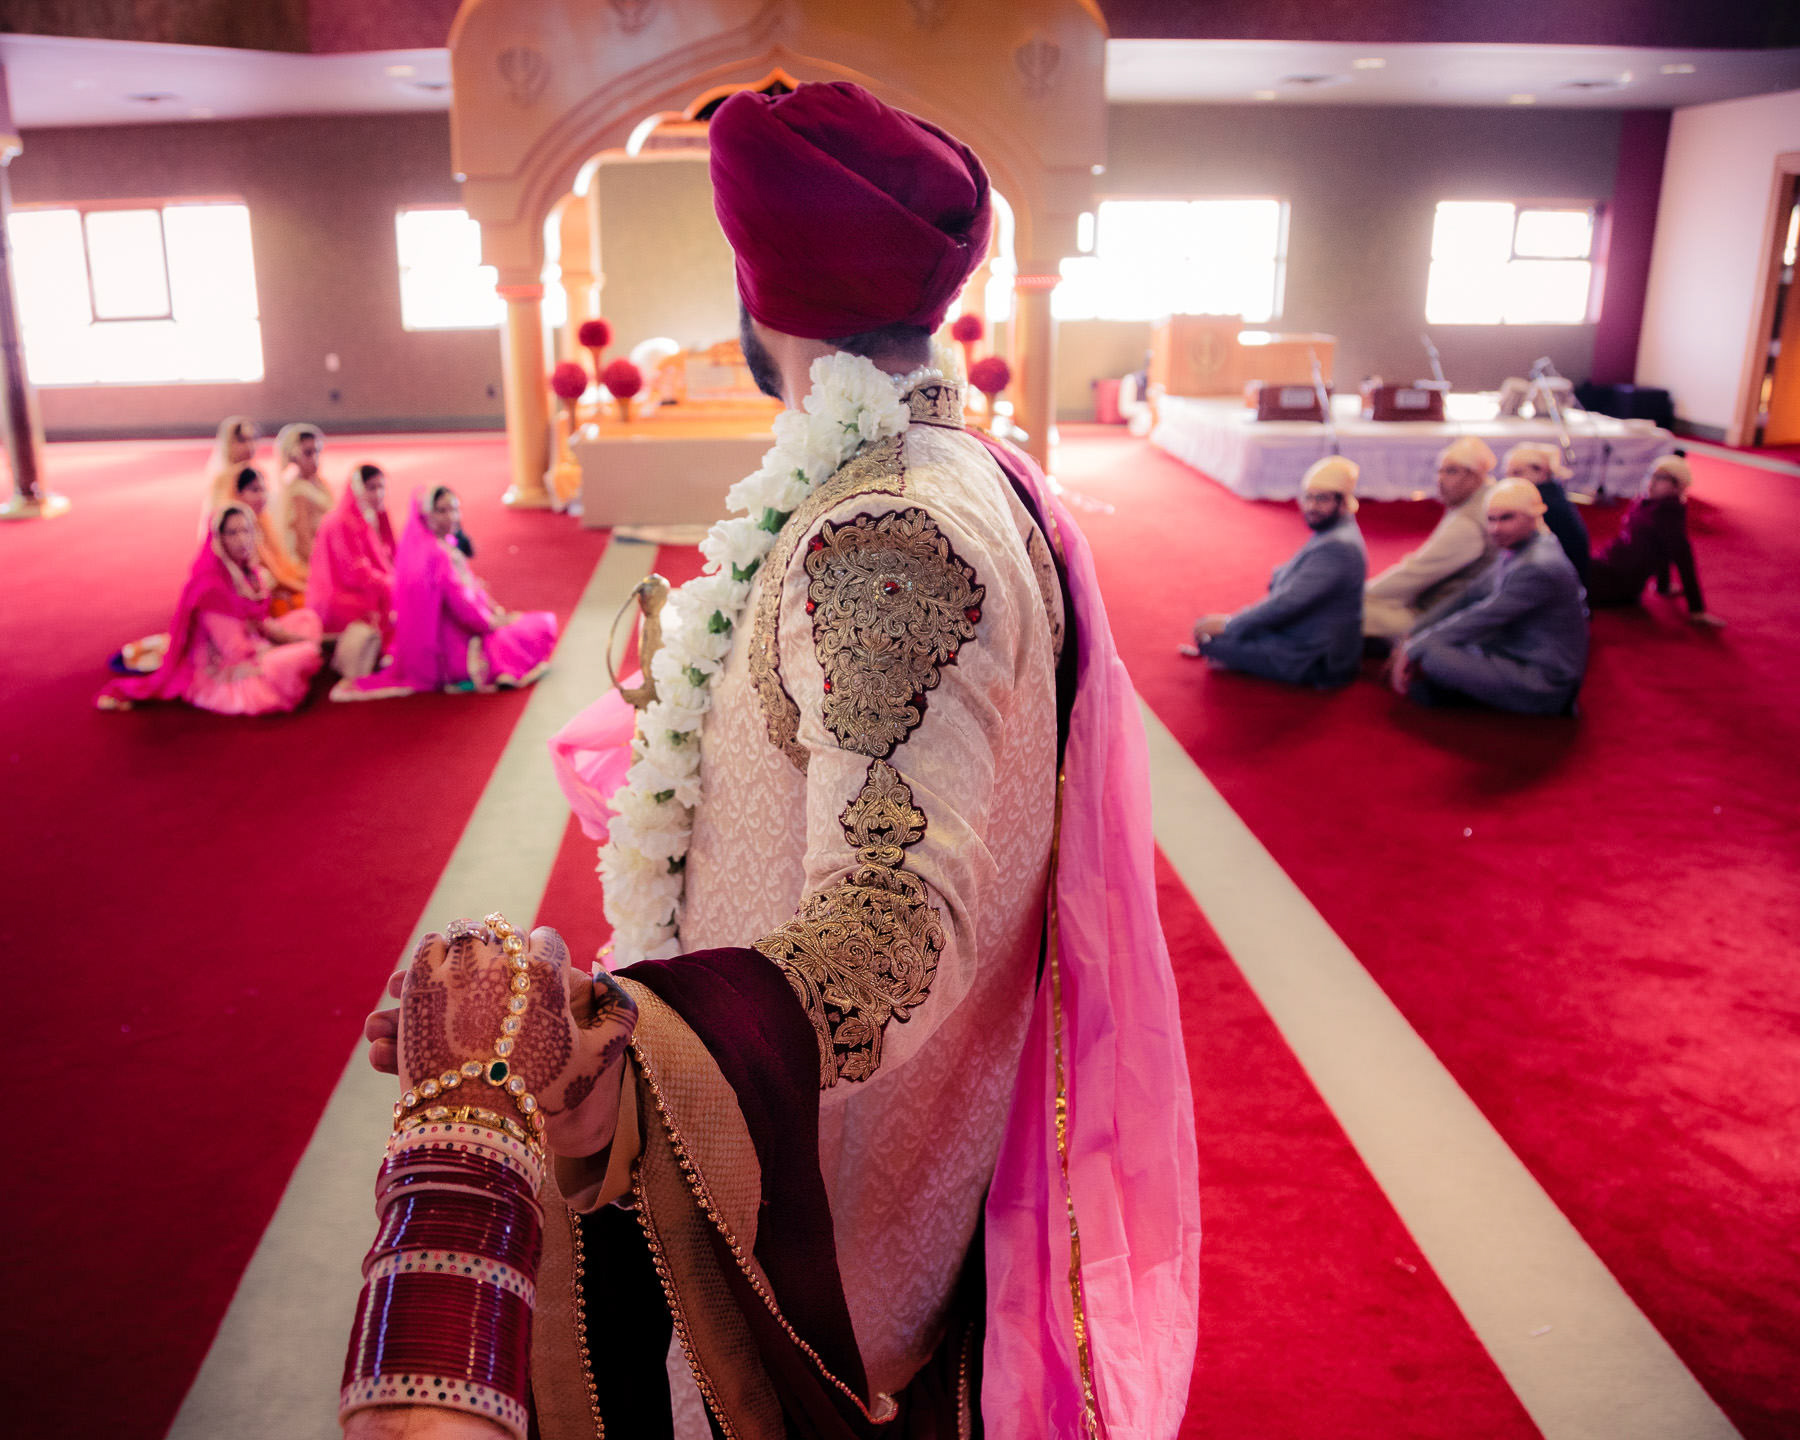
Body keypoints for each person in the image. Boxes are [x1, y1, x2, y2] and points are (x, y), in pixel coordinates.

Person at [346, 81, 1198, 1440]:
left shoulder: (885, 532)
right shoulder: (927, 472)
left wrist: (599, 1050)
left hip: (816, 1223)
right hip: (816, 1152)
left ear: (761, 298)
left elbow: (892, 931)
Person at [332, 485, 557, 699]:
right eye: (442, 510)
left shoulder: (427, 546)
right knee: (541, 625)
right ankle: (499, 670)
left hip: (438, 645)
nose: (451, 516)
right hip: (454, 649)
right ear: (426, 515)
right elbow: (464, 608)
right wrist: (492, 621)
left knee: (523, 627)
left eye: (454, 508)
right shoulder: (438, 554)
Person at [97, 503, 323, 714]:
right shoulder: (211, 588)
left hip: (254, 642)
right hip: (228, 672)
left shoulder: (246, 572)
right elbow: (236, 652)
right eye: (232, 533)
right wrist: (284, 643)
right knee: (304, 654)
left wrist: (282, 636)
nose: (242, 539)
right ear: (218, 539)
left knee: (308, 619)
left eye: (246, 530)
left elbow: (260, 624)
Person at [1391, 478, 1588, 714]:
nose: (1496, 528)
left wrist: (1414, 647)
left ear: (1534, 517)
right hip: (1517, 650)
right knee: (1432, 641)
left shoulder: (1536, 565)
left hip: (1545, 680)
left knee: (1433, 655)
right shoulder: (1522, 546)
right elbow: (1469, 595)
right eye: (1491, 519)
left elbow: (1483, 617)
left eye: (1507, 518)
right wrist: (1414, 633)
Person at [1189, 455, 1367, 687]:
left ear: (1343, 502)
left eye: (1321, 499)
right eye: (1308, 498)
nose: (1311, 506)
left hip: (1317, 657)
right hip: (1303, 632)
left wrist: (1229, 625)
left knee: (1210, 640)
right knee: (1227, 630)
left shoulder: (1338, 546)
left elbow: (1287, 603)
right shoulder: (1336, 531)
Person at [1363, 436, 1498, 644]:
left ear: (1475, 475)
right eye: (1440, 471)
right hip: (1449, 606)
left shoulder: (1468, 521)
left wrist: (1363, 593)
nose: (1440, 479)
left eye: (1451, 471)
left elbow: (1415, 573)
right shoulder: (1483, 498)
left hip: (1440, 617)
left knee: (1345, 609)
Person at [1586, 453, 1724, 627]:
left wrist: (1697, 610)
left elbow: (1684, 560)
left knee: (1564, 585)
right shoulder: (1649, 502)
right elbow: (1660, 548)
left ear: (1678, 486)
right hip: (1608, 566)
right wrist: (1663, 585)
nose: (1651, 481)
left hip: (1619, 582)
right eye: (1651, 474)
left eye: (1661, 478)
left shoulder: (1668, 514)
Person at [306, 463, 397, 639]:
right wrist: (391, 584)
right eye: (371, 488)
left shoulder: (367, 517)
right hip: (338, 600)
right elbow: (355, 573)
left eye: (381, 487)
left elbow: (389, 557)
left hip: (354, 592)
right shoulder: (342, 521)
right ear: (357, 489)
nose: (378, 494)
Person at [1502, 441, 1590, 582]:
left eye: (1517, 473)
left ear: (1542, 472)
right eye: (1508, 474)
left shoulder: (1545, 504)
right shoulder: (1552, 492)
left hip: (1560, 582)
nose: (1509, 481)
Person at [232, 466, 310, 615]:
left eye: (264, 490)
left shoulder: (263, 522)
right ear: (238, 494)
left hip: (274, 588)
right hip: (250, 599)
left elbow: (282, 567)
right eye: (255, 490)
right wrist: (304, 588)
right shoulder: (240, 531)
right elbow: (272, 575)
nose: (262, 496)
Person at [274, 423, 332, 566]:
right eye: (308, 453)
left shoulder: (319, 483)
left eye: (317, 452)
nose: (315, 459)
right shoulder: (298, 491)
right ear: (294, 456)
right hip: (311, 563)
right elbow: (303, 543)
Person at [199, 415, 257, 534]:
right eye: (241, 440)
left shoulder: (256, 474)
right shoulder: (223, 479)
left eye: (251, 439)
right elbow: (221, 520)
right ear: (228, 443)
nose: (249, 446)